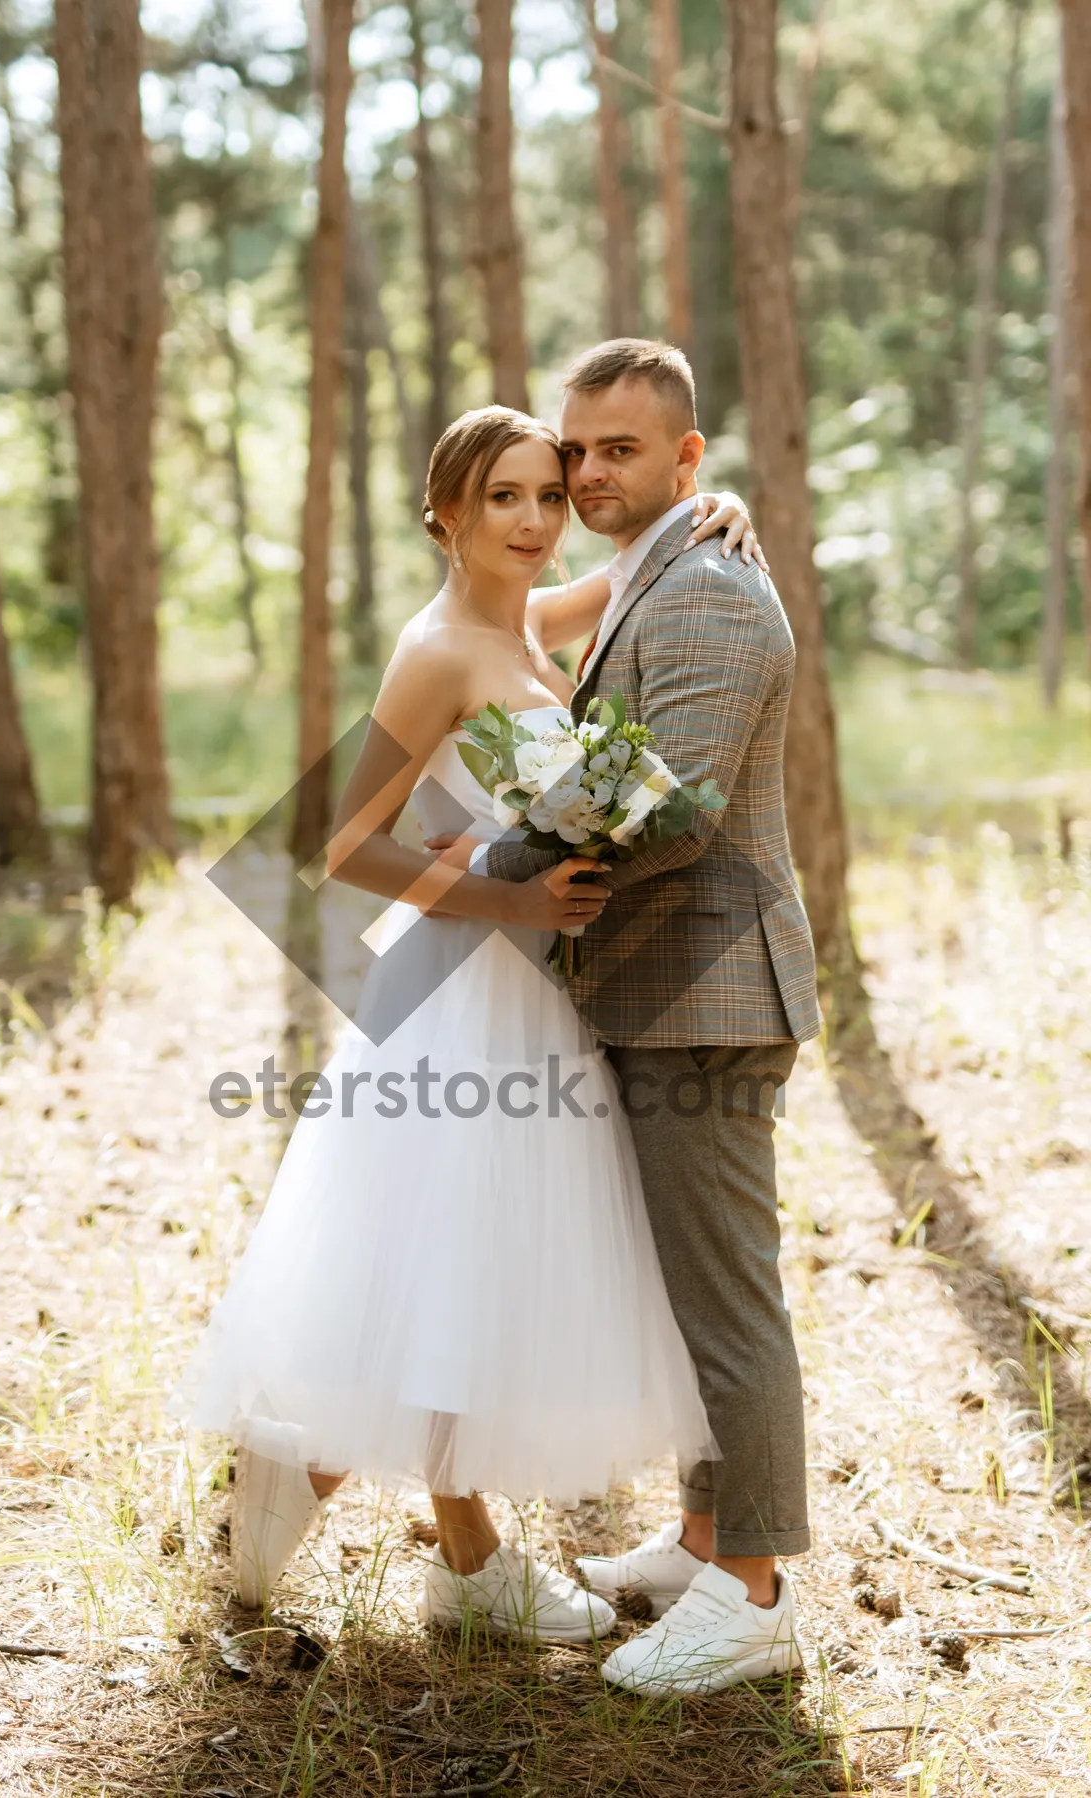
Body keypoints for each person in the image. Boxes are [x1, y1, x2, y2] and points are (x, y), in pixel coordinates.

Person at [172, 399, 761, 1651]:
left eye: (550, 493)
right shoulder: (441, 646)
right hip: (456, 988)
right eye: (505, 497)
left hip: (534, 985)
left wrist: (718, 513)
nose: (537, 519)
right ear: (446, 511)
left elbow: (619, 577)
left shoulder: (527, 620)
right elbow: (342, 847)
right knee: (437, 1253)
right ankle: (406, 1535)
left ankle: (449, 1547)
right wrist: (512, 893)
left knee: (477, 1262)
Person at [447, 340, 820, 1694]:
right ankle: (706, 1536)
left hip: (708, 994)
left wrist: (501, 869)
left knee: (725, 1301)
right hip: (656, 988)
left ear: (688, 457)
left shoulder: (710, 589)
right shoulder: (656, 571)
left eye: (619, 448)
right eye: (577, 446)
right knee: (683, 1293)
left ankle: (757, 1586)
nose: (590, 470)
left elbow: (677, 807)